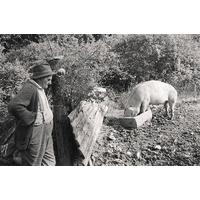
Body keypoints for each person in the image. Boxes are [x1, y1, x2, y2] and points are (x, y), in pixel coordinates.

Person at [8, 62, 56, 166]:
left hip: (46, 130)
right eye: (48, 79)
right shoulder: (30, 88)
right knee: (33, 163)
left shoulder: (39, 86)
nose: (50, 82)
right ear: (40, 78)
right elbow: (14, 105)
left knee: (49, 160)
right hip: (37, 131)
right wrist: (31, 118)